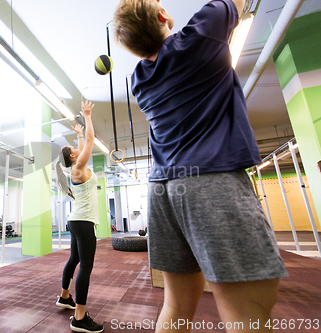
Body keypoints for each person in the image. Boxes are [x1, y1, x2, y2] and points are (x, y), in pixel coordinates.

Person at [113, 1, 288, 332]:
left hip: (163, 191)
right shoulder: (199, 38)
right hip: (210, 183)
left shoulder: (139, 79)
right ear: (164, 17)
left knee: (176, 306)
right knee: (249, 310)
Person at [55, 101, 104, 333]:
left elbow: (84, 145)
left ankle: (65, 296)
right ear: (73, 156)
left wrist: (79, 135)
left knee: (74, 260)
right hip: (83, 222)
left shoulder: (76, 167)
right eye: (74, 148)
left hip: (76, 220)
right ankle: (80, 317)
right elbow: (91, 143)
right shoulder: (78, 168)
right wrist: (87, 117)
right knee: (85, 265)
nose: (77, 149)